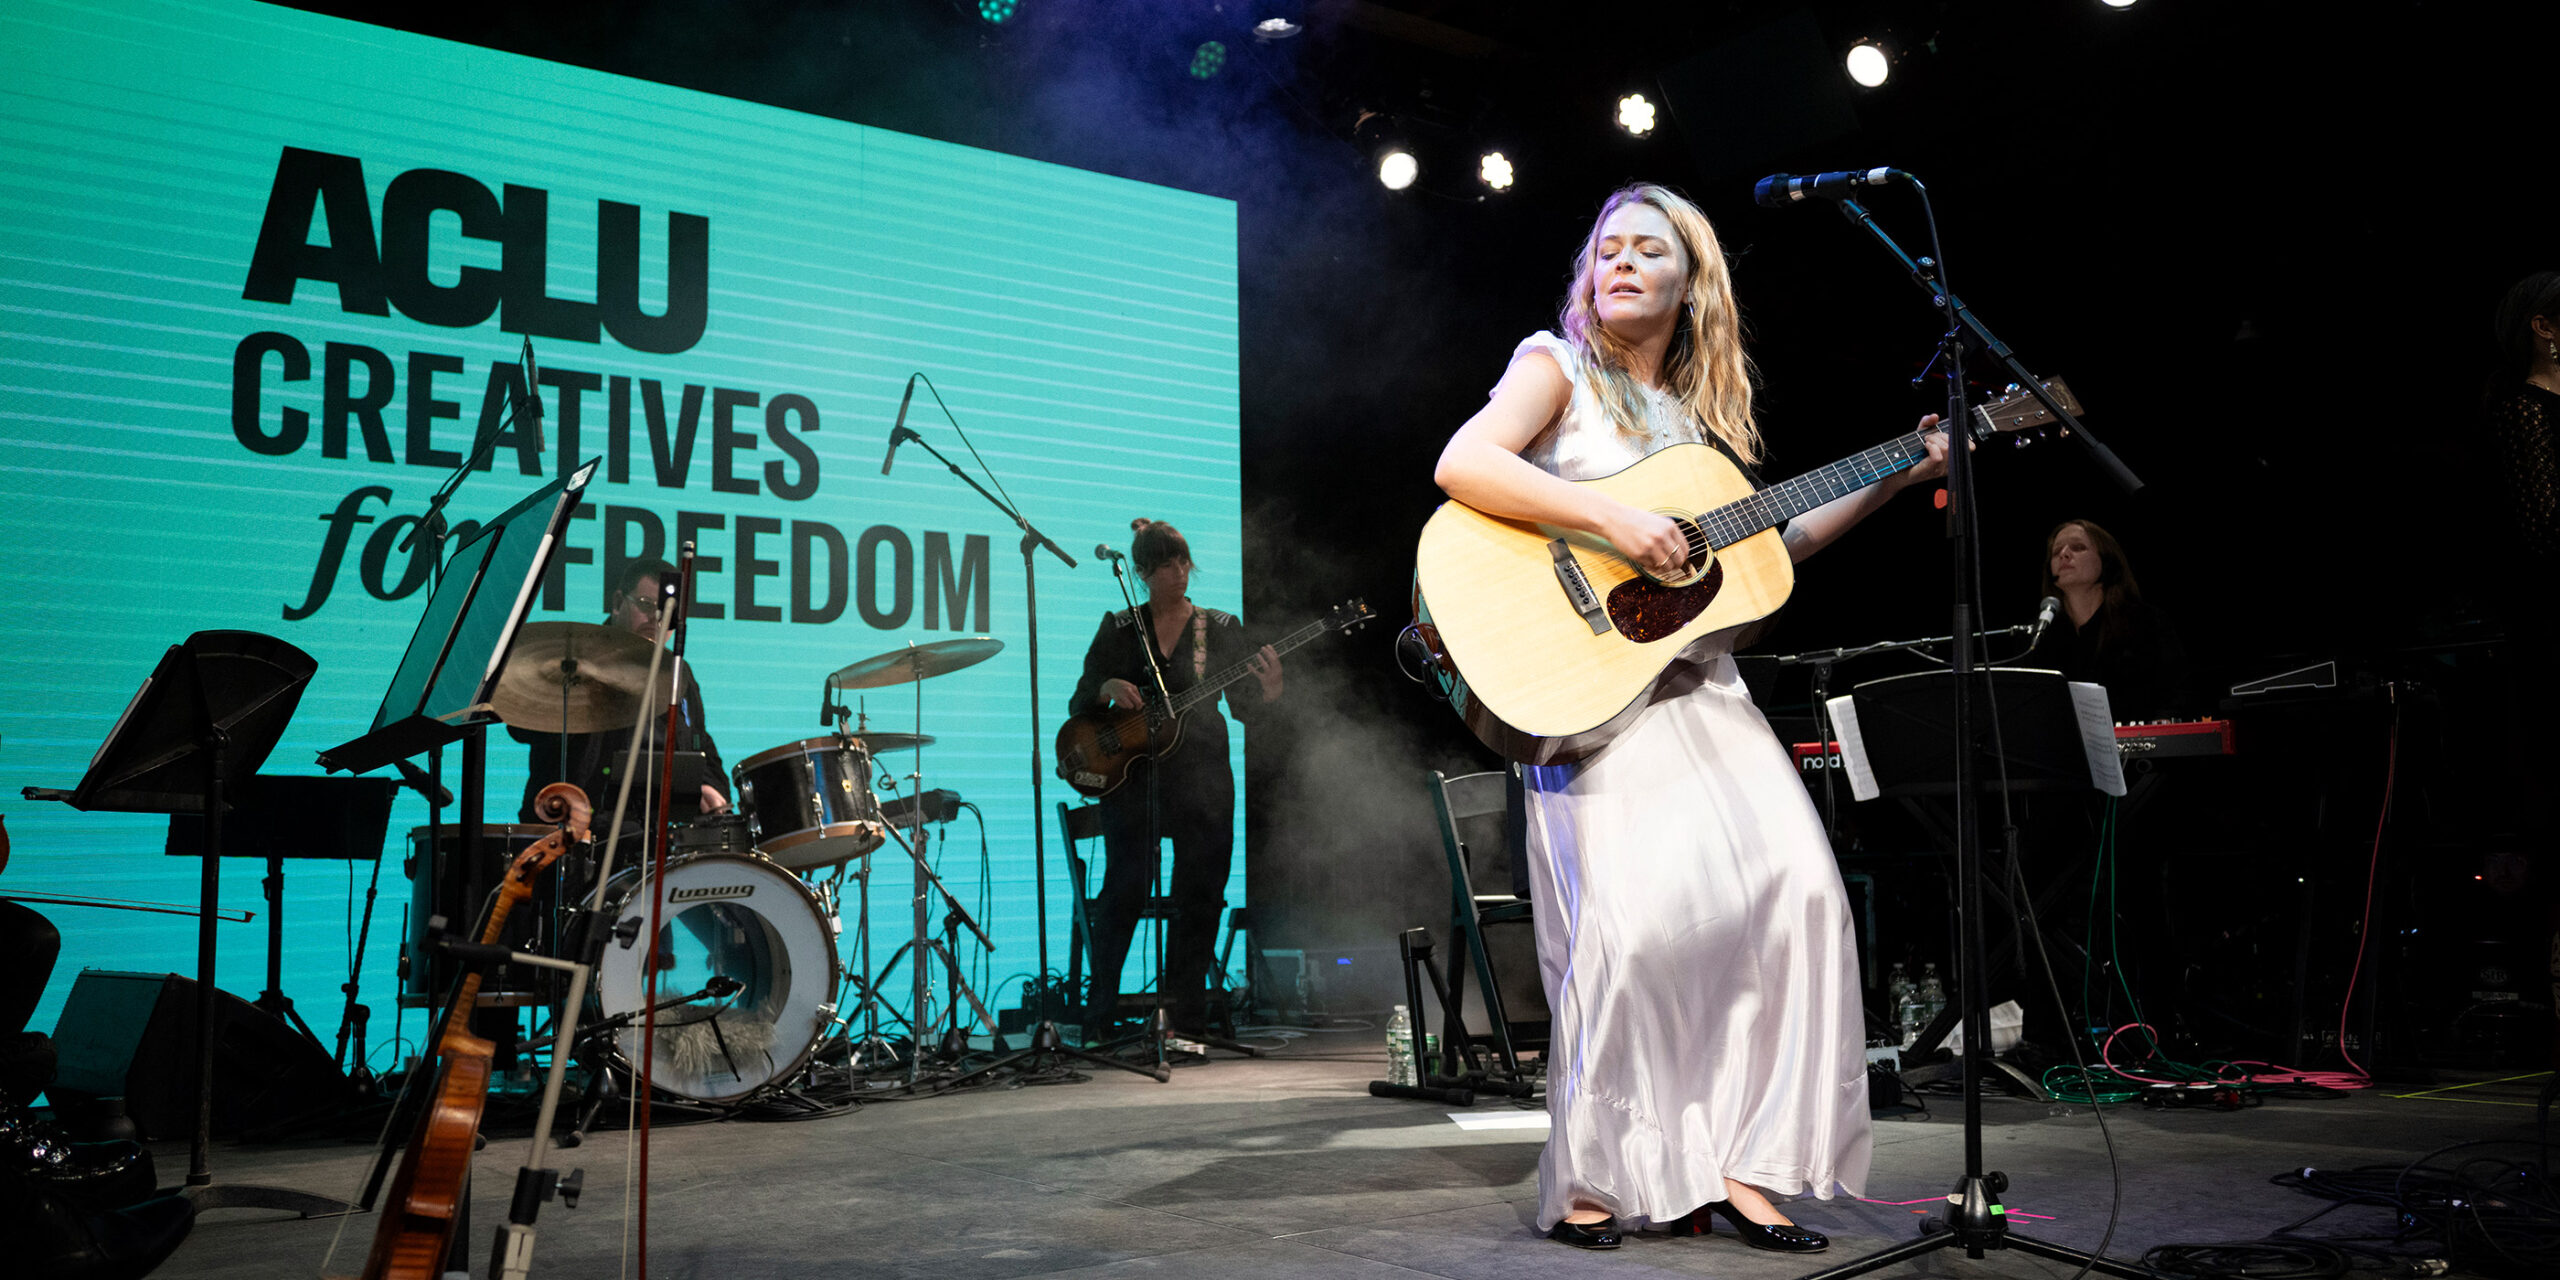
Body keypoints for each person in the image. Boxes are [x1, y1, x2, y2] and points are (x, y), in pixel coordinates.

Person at [1432, 183, 1947, 1251]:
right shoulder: (1555, 364)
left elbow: (1768, 552)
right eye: (1605, 247)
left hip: (1699, 685)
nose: (1620, 261)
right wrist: (1613, 514)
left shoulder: (1697, 428)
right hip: (1587, 695)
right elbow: (1463, 463)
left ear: (1689, 281)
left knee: (1799, 896)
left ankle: (1745, 1168)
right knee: (1627, 935)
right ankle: (1596, 1179)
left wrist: (1898, 475)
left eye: (1646, 250)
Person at [1068, 519, 1280, 1038]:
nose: (1179, 573)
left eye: (1183, 562)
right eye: (1166, 564)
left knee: (1201, 893)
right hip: (1133, 779)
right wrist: (1108, 687)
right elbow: (1079, 702)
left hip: (1203, 777)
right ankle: (1099, 1014)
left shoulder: (1220, 627)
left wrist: (1271, 692)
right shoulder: (1119, 627)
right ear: (1142, 571)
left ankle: (1186, 1015)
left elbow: (1245, 709)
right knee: (1124, 888)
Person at [510, 556, 727, 827]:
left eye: (667, 612)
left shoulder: (679, 673)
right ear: (617, 604)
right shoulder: (571, 661)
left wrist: (707, 787)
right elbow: (522, 728)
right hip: (579, 832)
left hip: (660, 837)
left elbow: (701, 746)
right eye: (646, 606)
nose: (656, 618)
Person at [2023, 519, 2193, 721]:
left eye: (2078, 547)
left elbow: (2176, 693)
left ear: (2107, 560)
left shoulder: (2145, 622)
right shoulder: (2042, 634)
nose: (2064, 554)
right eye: (2056, 551)